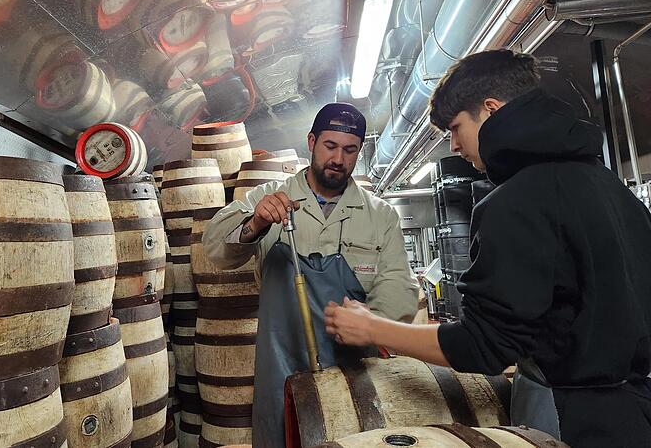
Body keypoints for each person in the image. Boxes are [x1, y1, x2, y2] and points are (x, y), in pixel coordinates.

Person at [324, 49, 651, 448]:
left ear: (491, 109)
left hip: (572, 417)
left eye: (456, 127)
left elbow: (484, 346)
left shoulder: (516, 201)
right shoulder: (611, 188)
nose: (454, 145)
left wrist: (374, 328)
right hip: (636, 407)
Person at [202, 102, 419, 448]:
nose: (338, 159)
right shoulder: (269, 197)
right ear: (311, 142)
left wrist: (371, 324)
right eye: (330, 146)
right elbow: (214, 248)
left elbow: (399, 289)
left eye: (350, 150)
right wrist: (255, 223)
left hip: (356, 371)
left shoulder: (380, 216)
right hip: (282, 369)